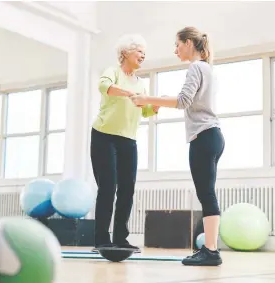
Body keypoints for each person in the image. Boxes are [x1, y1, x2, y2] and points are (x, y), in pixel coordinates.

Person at [130, 27, 225, 266]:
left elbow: (183, 101)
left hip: (203, 136)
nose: (175, 50)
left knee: (206, 194)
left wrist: (148, 99)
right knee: (207, 193)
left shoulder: (196, 67)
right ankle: (210, 249)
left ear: (190, 43)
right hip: (212, 135)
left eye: (178, 45)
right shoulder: (208, 69)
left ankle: (211, 251)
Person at [91, 34, 158, 253]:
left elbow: (145, 110)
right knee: (108, 187)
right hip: (104, 136)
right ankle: (101, 238)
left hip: (128, 140)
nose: (143, 55)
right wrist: (129, 93)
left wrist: (154, 107)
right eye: (139, 51)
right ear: (125, 53)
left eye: (144, 52)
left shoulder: (141, 83)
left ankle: (121, 238)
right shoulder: (113, 72)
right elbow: (105, 87)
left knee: (127, 189)